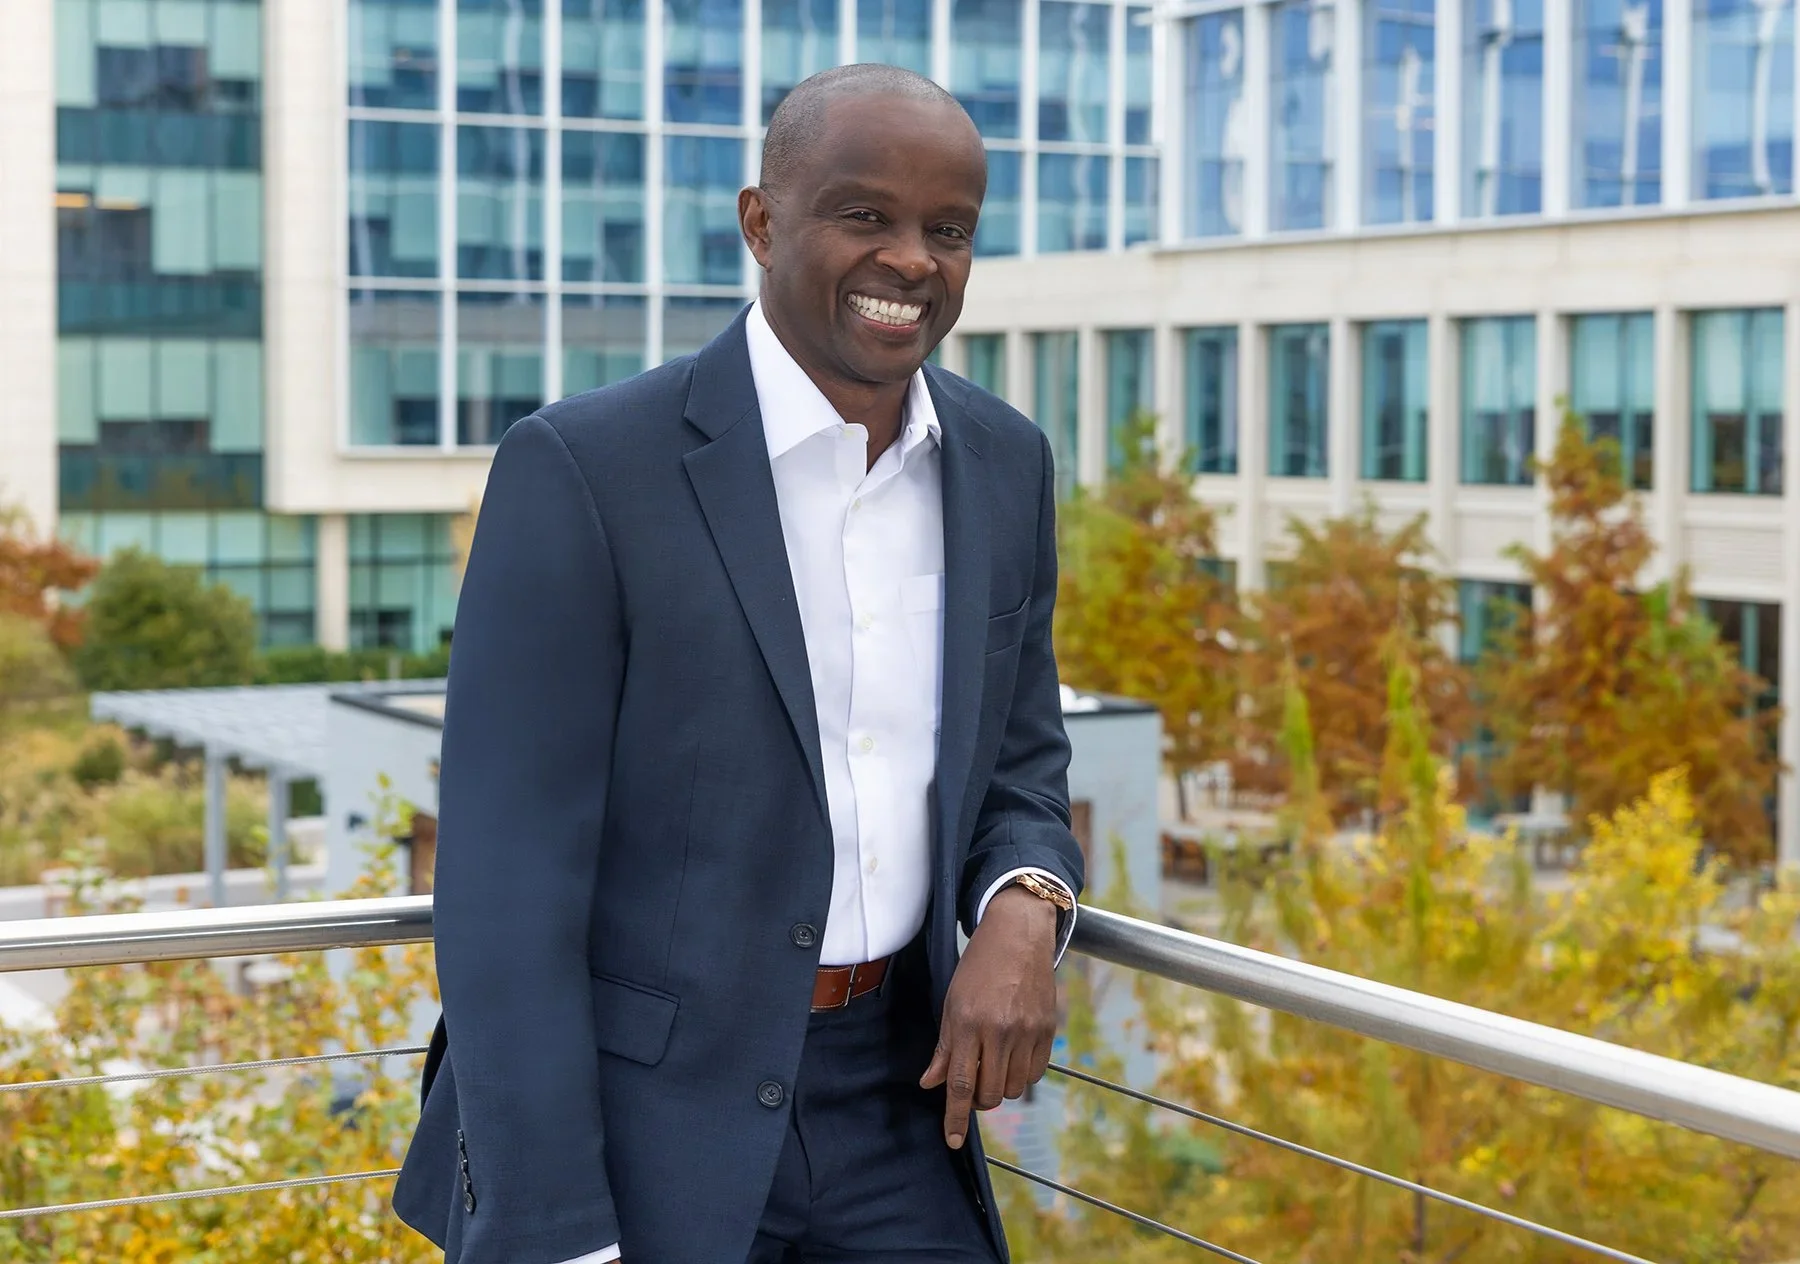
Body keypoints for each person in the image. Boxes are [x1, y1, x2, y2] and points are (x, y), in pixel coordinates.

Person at [392, 63, 1086, 1264]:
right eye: (865, 215)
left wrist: (1028, 909)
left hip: (902, 1107)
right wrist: (557, 1231)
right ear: (762, 222)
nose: (913, 260)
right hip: (641, 1120)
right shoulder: (583, 468)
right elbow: (504, 890)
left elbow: (1021, 764)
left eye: (949, 229)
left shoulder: (1006, 463)